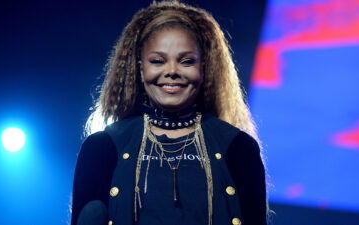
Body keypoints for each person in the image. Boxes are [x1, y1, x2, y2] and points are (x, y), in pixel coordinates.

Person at [71, 1, 268, 225]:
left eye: (186, 61)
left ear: (204, 68)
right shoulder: (103, 148)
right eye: (157, 61)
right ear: (140, 67)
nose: (172, 71)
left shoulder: (239, 148)